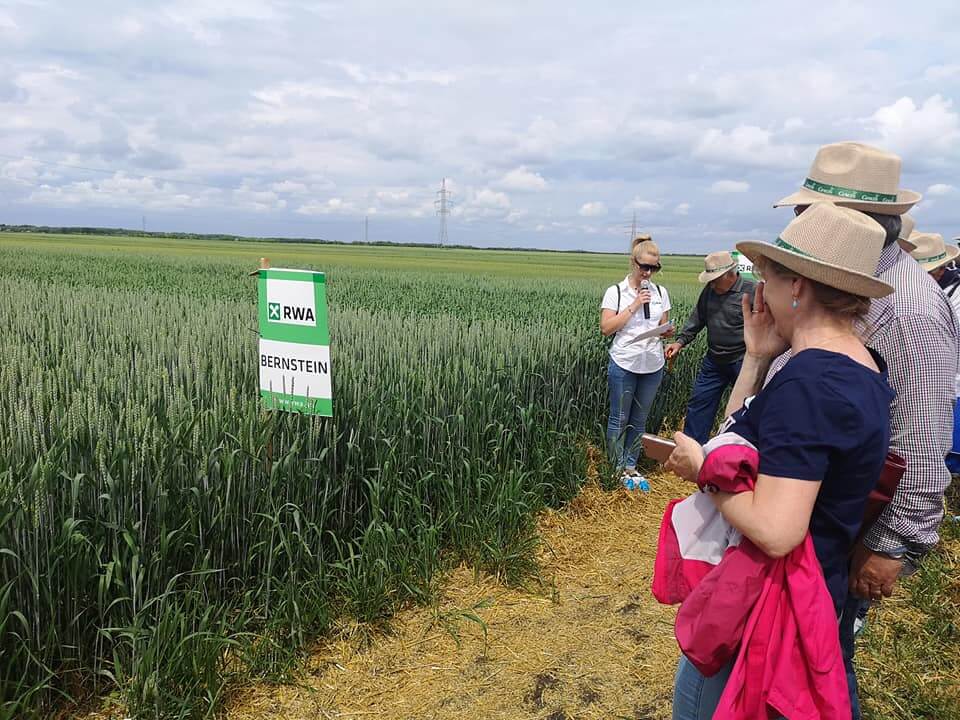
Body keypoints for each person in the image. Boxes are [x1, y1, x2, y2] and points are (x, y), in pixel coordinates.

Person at [665, 202, 895, 720]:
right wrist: (757, 356)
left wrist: (703, 471)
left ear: (798, 287)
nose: (759, 292)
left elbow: (776, 530)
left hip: (765, 604)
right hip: (811, 590)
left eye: (767, 278)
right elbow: (736, 439)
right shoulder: (860, 366)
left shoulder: (811, 384)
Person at [765, 141, 959, 719]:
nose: (803, 223)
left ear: (854, 222)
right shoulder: (854, 288)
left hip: (844, 530)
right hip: (809, 513)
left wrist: (891, 546)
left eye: (811, 213)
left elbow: (922, 441)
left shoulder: (908, 309)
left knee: (825, 660)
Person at [600, 236, 673, 486]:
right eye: (644, 267)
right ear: (633, 262)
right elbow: (606, 328)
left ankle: (630, 466)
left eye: (654, 268)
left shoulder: (661, 293)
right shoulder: (616, 292)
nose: (648, 273)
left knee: (640, 419)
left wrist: (667, 331)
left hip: (652, 363)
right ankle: (615, 468)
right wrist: (634, 305)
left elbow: (662, 324)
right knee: (619, 417)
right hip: (624, 362)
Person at [664, 251, 756, 443]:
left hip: (743, 362)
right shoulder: (709, 291)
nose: (712, 284)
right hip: (714, 361)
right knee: (699, 404)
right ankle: (692, 451)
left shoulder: (752, 291)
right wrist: (679, 342)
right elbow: (697, 319)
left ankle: (738, 451)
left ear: (730, 275)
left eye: (715, 280)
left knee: (745, 409)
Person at [908, 232, 960, 473]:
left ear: (939, 270)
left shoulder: (953, 296)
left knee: (948, 457)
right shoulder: (935, 291)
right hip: (936, 386)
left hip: (951, 387)